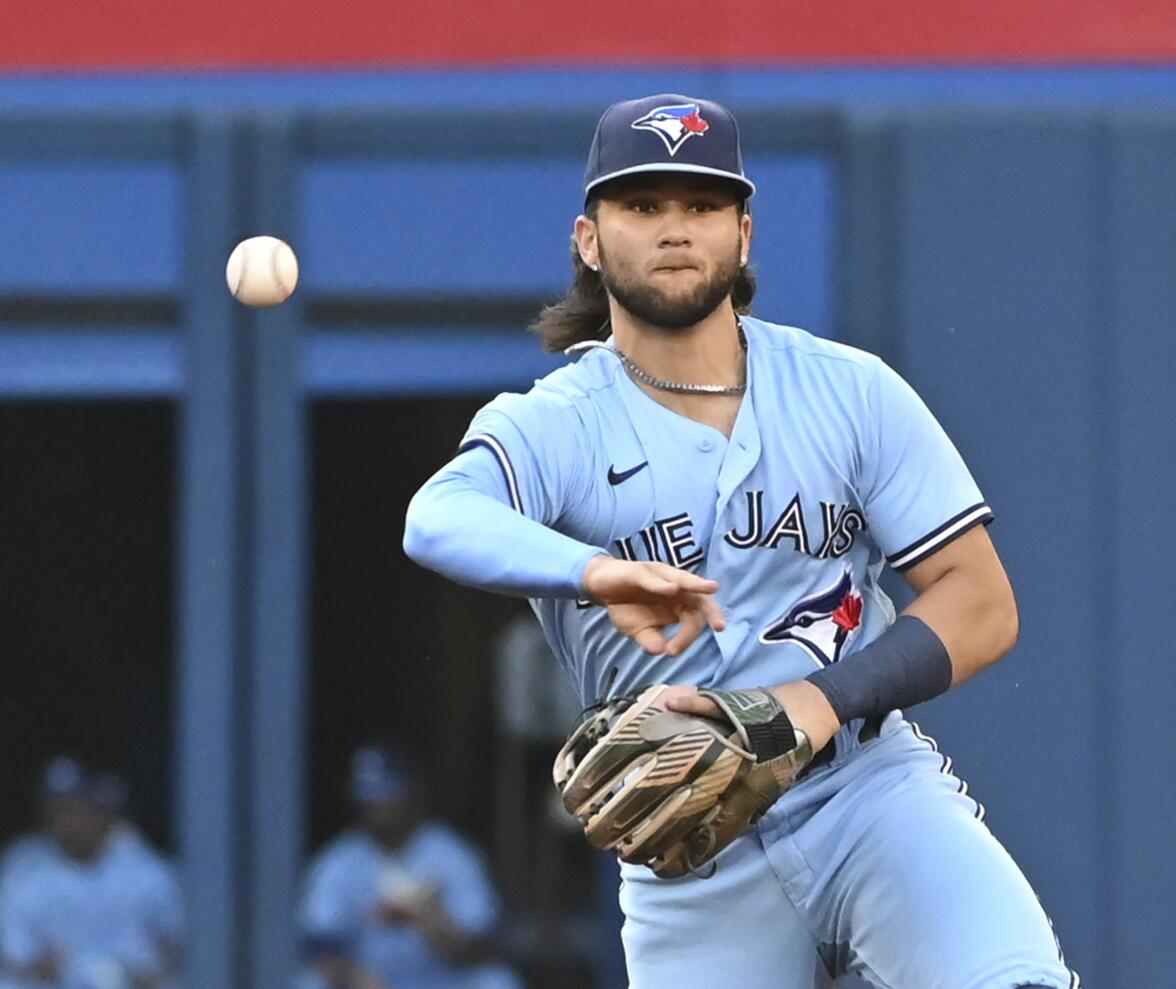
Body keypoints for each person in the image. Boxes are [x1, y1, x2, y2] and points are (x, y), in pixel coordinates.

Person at [403, 93, 1079, 989]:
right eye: (643, 206)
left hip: (868, 790)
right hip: (692, 851)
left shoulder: (849, 391)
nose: (676, 229)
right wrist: (592, 571)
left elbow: (982, 601)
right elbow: (436, 519)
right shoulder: (555, 424)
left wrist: (815, 703)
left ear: (746, 232)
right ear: (589, 239)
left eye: (702, 205)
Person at [297, 745, 522, 989]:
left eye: (387, 794)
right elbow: (319, 946)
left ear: (411, 793)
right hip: (372, 979)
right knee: (311, 984)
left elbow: (486, 944)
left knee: (498, 981)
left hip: (441, 979)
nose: (378, 807)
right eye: (370, 797)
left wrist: (435, 922)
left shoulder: (452, 855)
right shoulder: (339, 863)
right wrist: (353, 976)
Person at [0, 758, 182, 989]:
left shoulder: (147, 869)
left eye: (75, 809)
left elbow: (179, 944)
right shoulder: (25, 867)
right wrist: (39, 966)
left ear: (101, 811)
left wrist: (157, 974)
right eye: (57, 810)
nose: (66, 822)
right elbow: (13, 958)